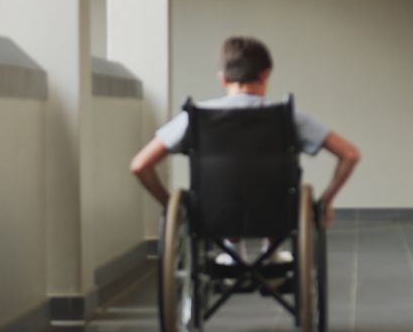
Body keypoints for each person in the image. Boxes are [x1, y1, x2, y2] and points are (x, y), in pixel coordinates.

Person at [130, 35, 360, 261]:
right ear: (265, 74)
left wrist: (172, 207)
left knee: (227, 183)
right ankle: (272, 252)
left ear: (222, 78)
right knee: (275, 186)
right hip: (277, 213)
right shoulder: (287, 116)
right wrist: (326, 202)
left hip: (214, 213)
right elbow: (350, 154)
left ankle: (232, 246)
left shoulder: (195, 117)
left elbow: (140, 165)